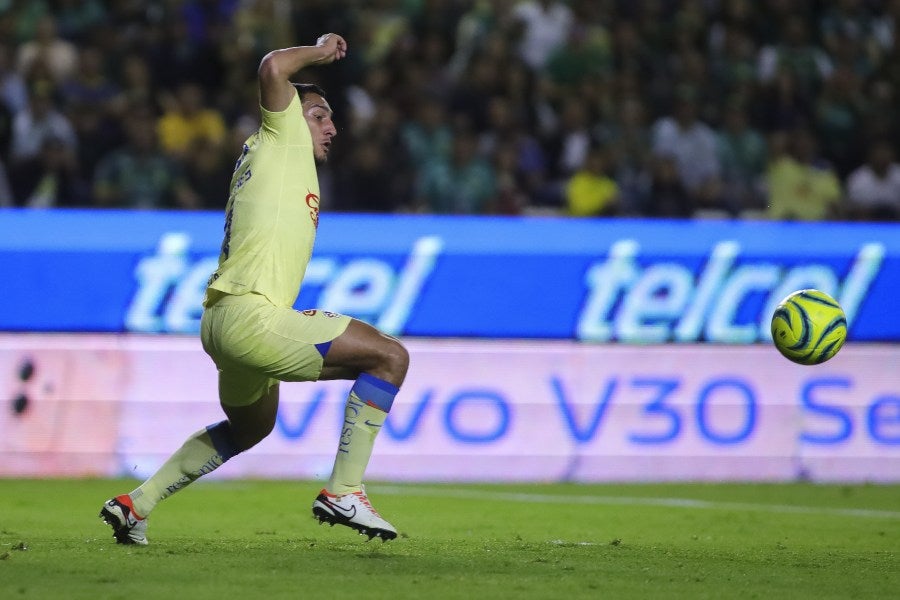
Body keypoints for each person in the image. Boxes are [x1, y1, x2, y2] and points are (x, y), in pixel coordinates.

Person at [99, 33, 408, 545]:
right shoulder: (281, 136)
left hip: (220, 322)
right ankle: (344, 489)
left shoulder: (267, 158)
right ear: (290, 114)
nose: (331, 126)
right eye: (319, 115)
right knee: (390, 358)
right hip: (252, 318)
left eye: (332, 118)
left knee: (251, 427)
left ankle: (137, 504)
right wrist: (320, 50)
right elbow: (271, 68)